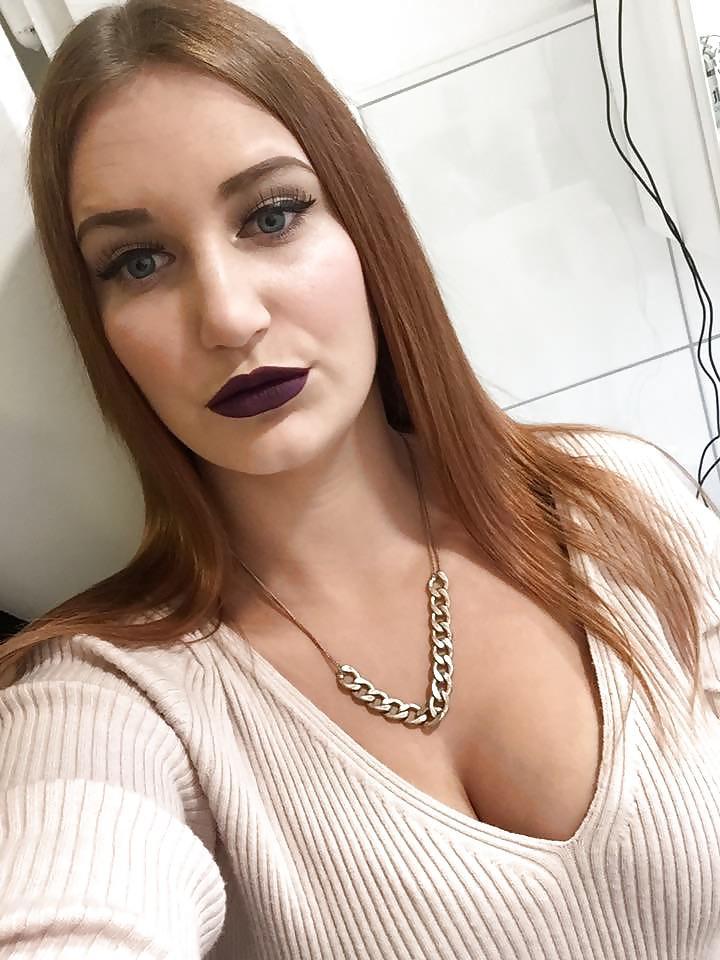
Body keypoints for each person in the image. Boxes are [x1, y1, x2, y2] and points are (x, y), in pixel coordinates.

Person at [2, 0, 720, 956]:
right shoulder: (112, 695)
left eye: (271, 215)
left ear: (364, 226)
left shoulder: (620, 505)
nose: (228, 316)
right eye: (138, 262)